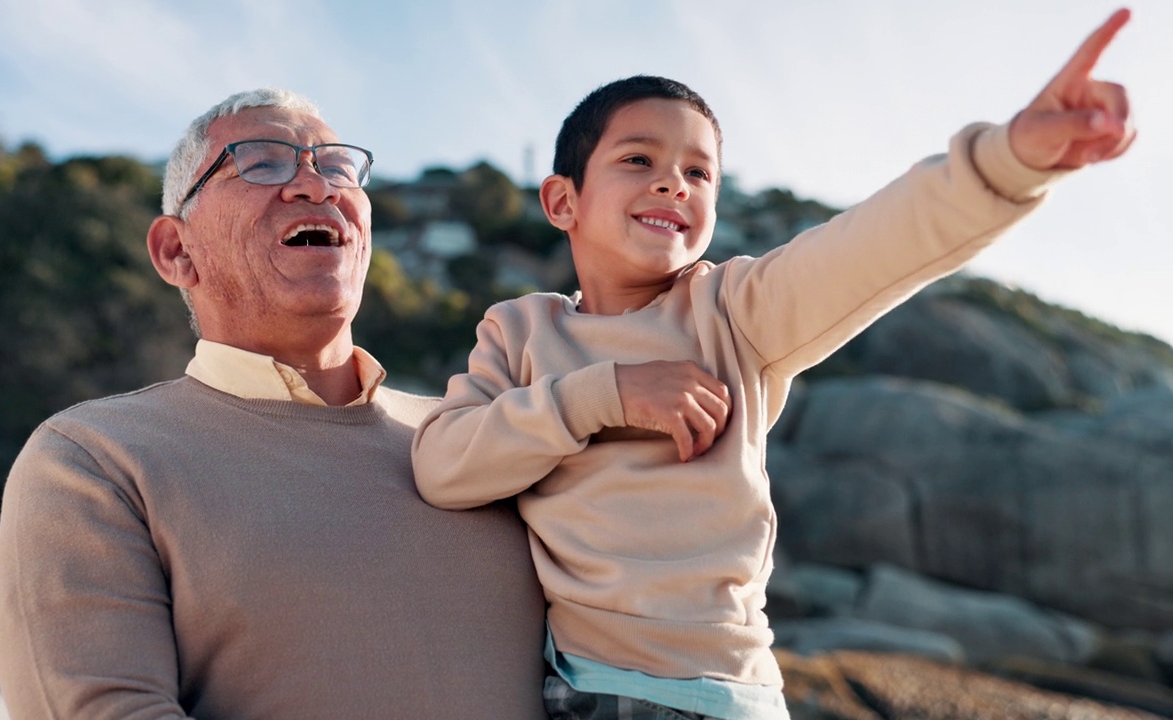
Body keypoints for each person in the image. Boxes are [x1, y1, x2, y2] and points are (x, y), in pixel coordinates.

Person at [412, 10, 1135, 720]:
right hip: (591, 690)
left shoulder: (734, 310)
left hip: (736, 694)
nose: (674, 184)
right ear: (562, 200)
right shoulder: (519, 330)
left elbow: (873, 246)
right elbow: (445, 465)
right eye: (639, 159)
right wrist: (604, 396)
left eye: (699, 172)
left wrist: (1013, 157)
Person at [0, 88, 547, 719]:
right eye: (261, 161)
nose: (315, 185)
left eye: (336, 166)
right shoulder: (94, 460)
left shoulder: (479, 433)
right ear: (177, 250)